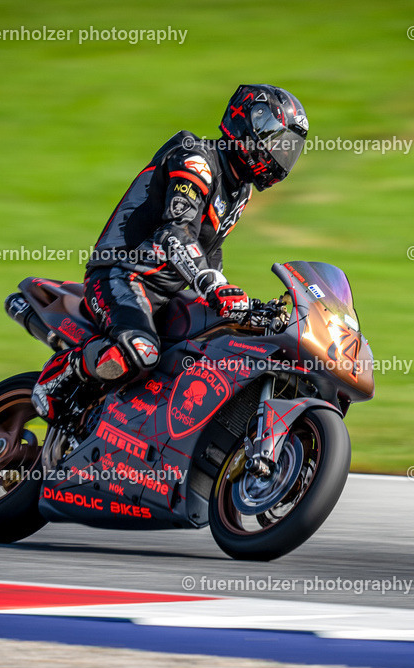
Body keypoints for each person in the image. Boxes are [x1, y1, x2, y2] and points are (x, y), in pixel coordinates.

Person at [32, 84, 308, 421]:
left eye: (288, 148)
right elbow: (174, 233)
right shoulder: (195, 158)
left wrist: (241, 306)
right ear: (250, 125)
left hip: (169, 291)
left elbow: (210, 253)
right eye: (278, 143)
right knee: (141, 351)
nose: (281, 155)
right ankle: (60, 377)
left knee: (215, 348)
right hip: (122, 273)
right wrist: (213, 286)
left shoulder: (240, 191)